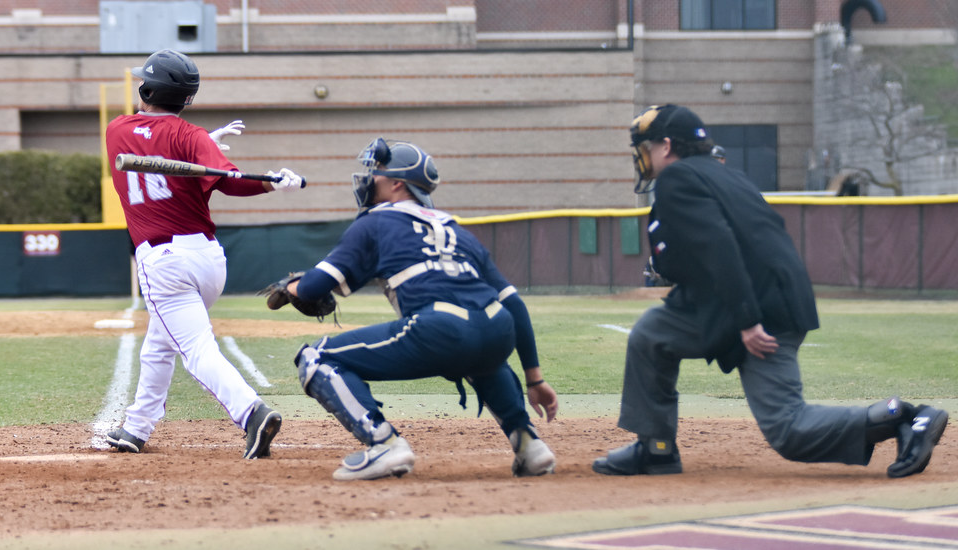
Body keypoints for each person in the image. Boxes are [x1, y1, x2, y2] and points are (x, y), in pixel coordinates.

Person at [593, 104, 947, 478]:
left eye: (646, 147)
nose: (643, 156)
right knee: (653, 333)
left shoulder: (677, 177)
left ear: (666, 146)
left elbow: (718, 246)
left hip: (758, 309)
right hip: (757, 297)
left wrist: (747, 321)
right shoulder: (726, 175)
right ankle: (656, 449)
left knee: (788, 430)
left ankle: (904, 418)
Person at [283, 138, 559, 481]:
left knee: (316, 358)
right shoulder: (456, 229)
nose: (371, 178)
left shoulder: (374, 221)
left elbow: (311, 288)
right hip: (497, 326)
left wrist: (290, 287)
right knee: (480, 353)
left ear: (398, 183)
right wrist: (535, 379)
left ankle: (384, 444)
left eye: (379, 172)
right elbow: (513, 304)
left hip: (439, 328)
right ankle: (529, 444)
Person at [104, 49, 304, 458]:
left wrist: (200, 145)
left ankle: (251, 412)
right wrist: (270, 183)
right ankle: (137, 428)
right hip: (208, 260)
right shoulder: (191, 137)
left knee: (196, 348)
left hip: (164, 263)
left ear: (147, 90)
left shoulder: (117, 129)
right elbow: (228, 181)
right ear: (187, 98)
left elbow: (153, 143)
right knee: (159, 344)